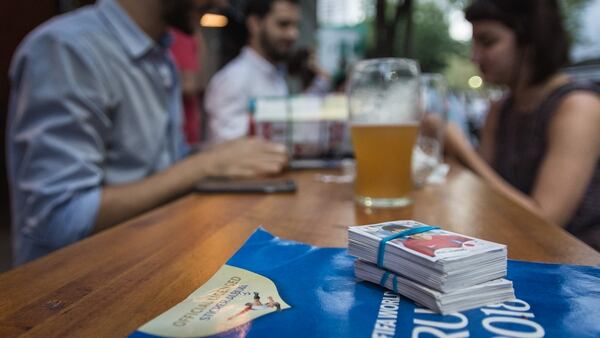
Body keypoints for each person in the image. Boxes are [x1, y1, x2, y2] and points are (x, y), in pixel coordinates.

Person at [6, 0, 288, 265]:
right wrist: (205, 165)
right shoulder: (67, 48)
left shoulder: (160, 55)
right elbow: (60, 219)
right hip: (73, 293)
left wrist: (221, 155)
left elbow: (163, 167)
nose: (222, 3)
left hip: (144, 266)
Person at [445, 0, 600, 250]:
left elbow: (546, 219)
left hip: (575, 269)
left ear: (531, 41)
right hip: (513, 249)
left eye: (488, 42)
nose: (475, 57)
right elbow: (481, 190)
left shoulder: (578, 106)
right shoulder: (501, 109)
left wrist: (462, 149)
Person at [204, 0, 307, 143]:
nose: (292, 34)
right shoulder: (233, 79)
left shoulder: (275, 75)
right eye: (283, 24)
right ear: (255, 24)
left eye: (296, 26)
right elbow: (226, 151)